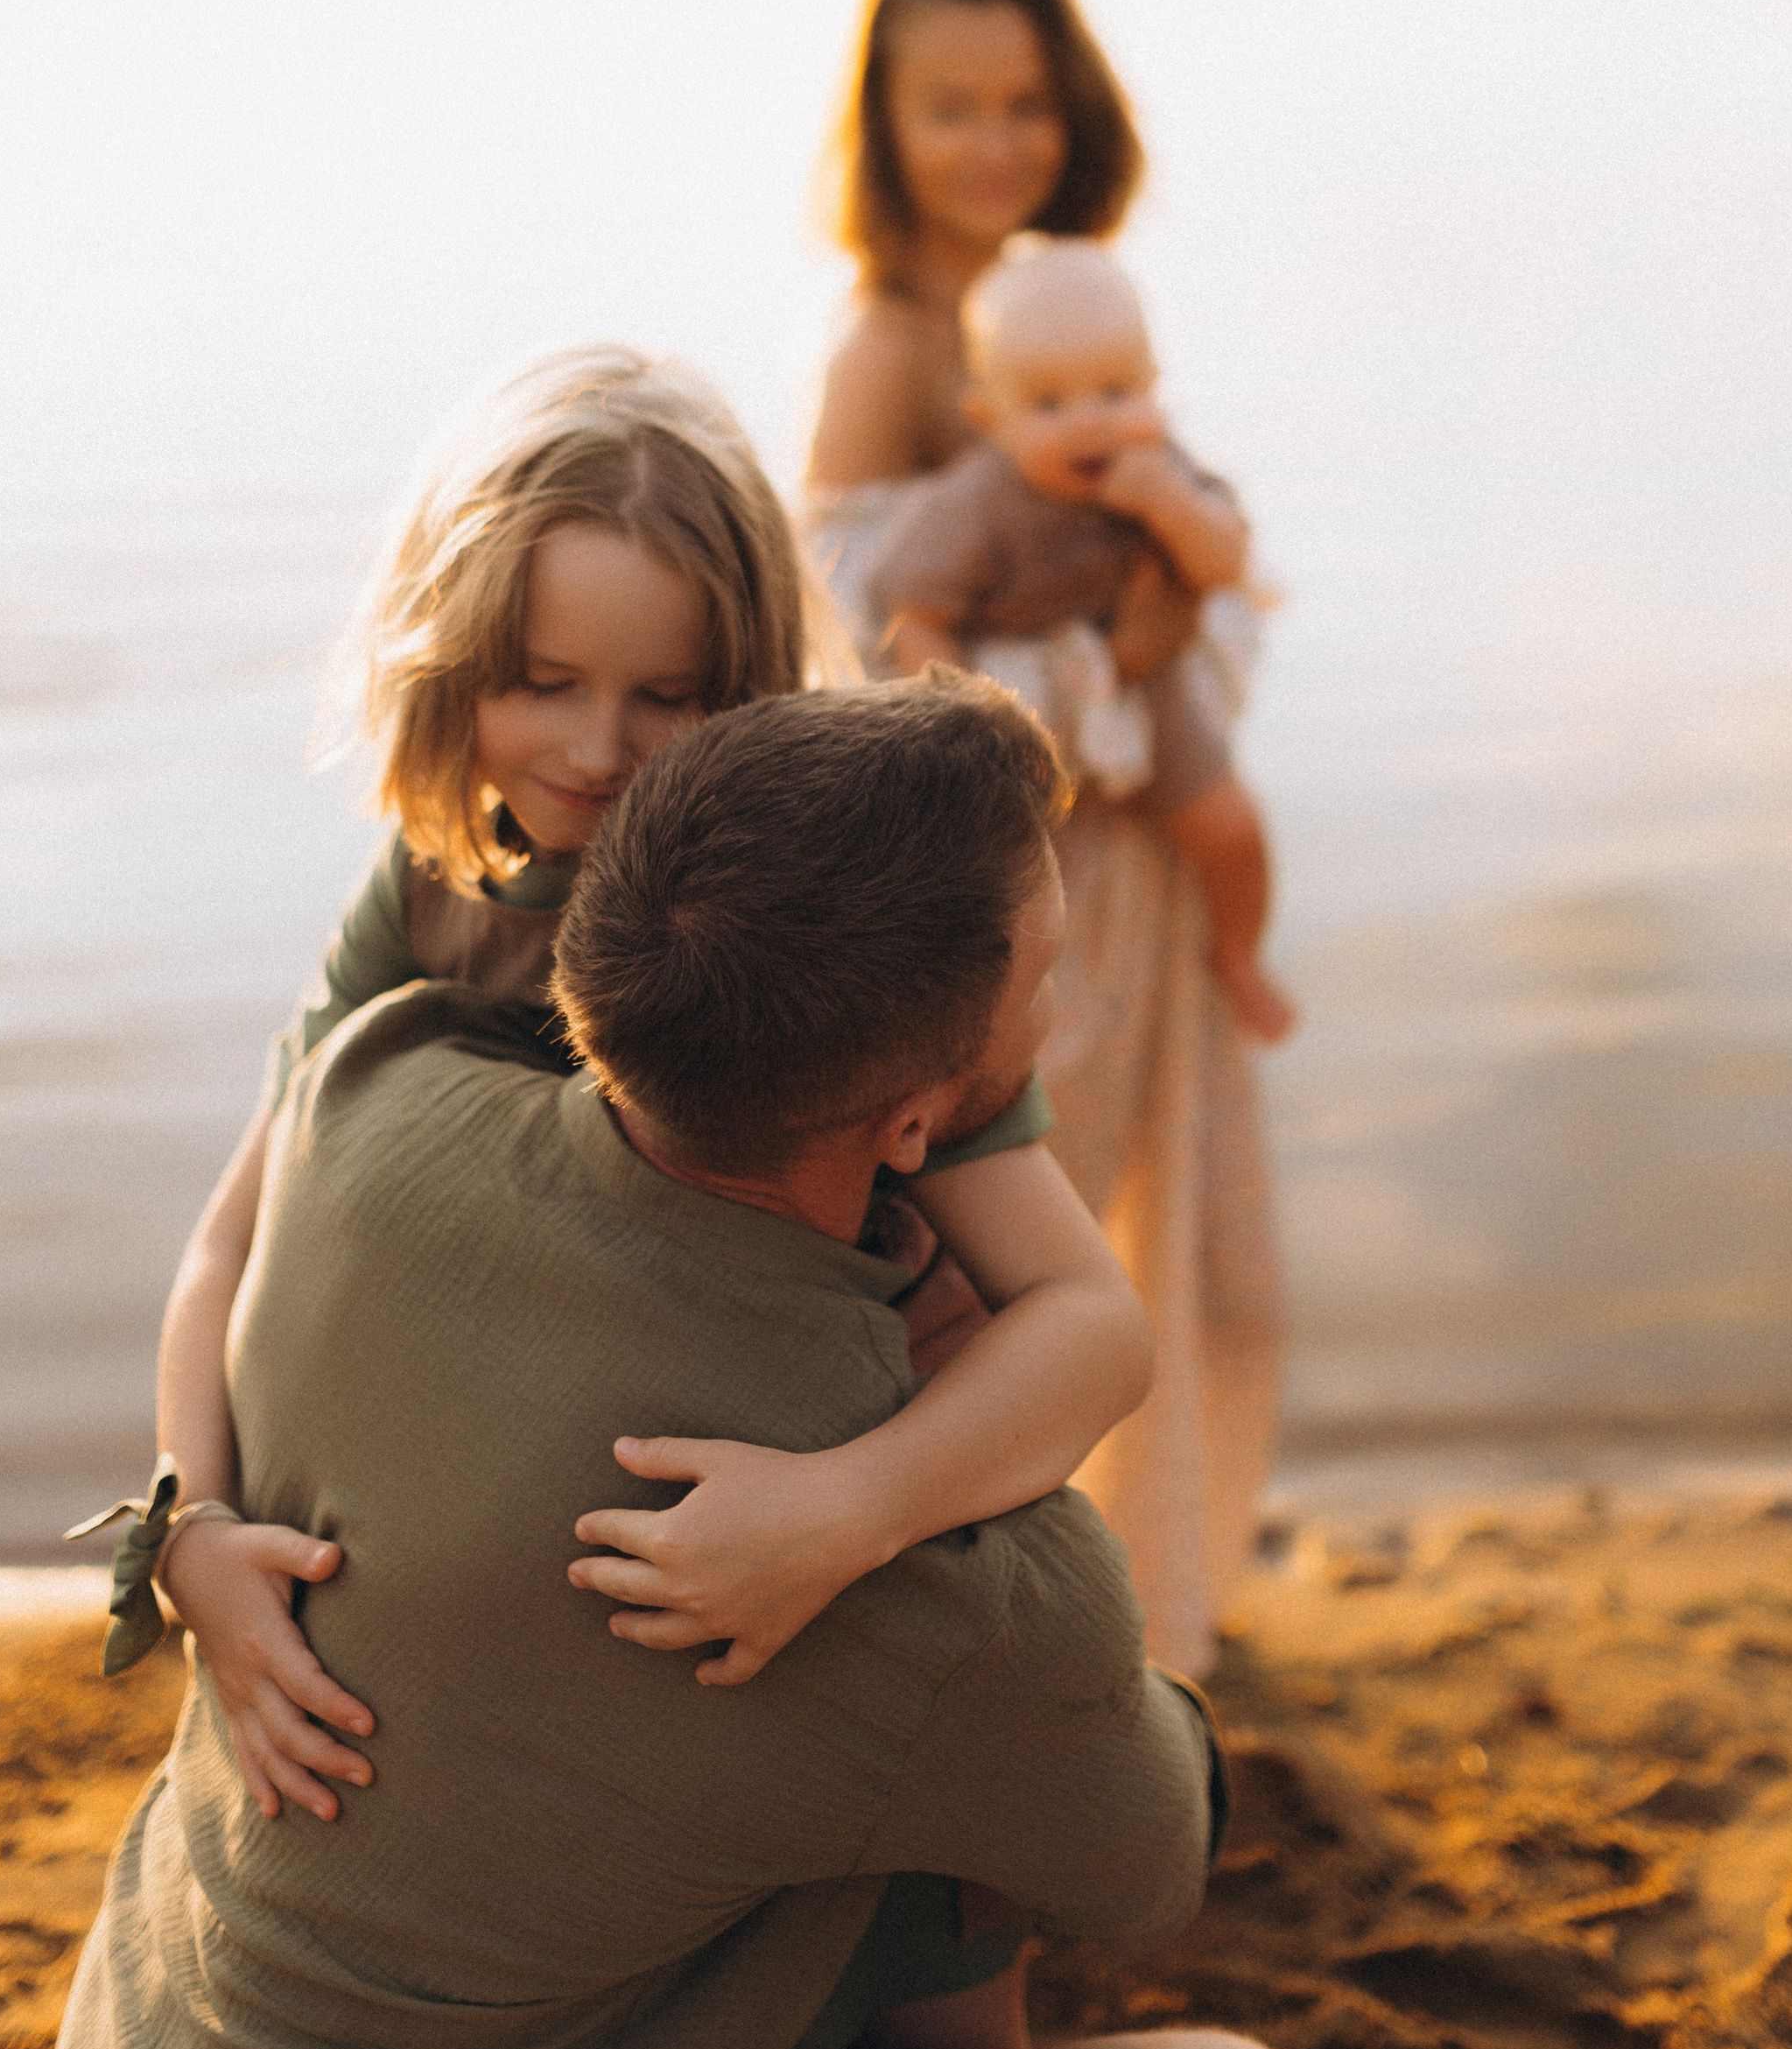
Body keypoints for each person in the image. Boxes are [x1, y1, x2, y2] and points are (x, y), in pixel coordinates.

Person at [46, 679, 1353, 2049]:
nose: (1065, 1022)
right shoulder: (943, 1574)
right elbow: (1155, 1858)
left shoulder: (372, 1109)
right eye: (1051, 980)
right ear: (920, 1117)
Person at [144, 348, 1151, 1849]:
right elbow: (235, 1240)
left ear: (748, 686)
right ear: (449, 655)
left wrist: (855, 1504)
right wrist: (192, 1526)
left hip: (814, 1514)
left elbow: (1088, 1318)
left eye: (666, 697)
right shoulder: (439, 892)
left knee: (922, 1962)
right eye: (540, 682)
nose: (596, 748)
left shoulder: (836, 930)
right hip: (538, 1563)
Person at [810, 0, 1287, 1675]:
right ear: (886, 120)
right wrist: (1098, 679)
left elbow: (1199, 567)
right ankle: (996, 1609)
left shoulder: (1070, 298)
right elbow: (859, 654)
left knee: (1175, 1235)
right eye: (950, 108)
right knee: (1018, 1257)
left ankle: (1148, 1593)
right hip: (1010, 878)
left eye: (1022, 103)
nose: (992, 143)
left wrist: (1169, 604)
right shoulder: (886, 344)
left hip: (1142, 851)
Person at [868, 238, 1295, 1045]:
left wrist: (1168, 501)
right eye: (1051, 405)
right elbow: (910, 605)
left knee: (1233, 831)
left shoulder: (1160, 465)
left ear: (1155, 387)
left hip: (1151, 696)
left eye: (1115, 390)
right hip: (1037, 714)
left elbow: (1229, 562)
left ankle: (1238, 954)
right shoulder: (977, 505)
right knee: (1011, 881)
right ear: (989, 417)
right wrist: (964, 709)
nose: (1089, 422)